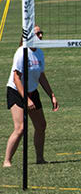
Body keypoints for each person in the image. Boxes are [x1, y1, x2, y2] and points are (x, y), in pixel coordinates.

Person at [3, 26, 58, 167]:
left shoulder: (39, 53)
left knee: (41, 125)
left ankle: (40, 158)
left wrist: (51, 95)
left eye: (41, 33)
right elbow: (16, 78)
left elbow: (41, 76)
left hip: (32, 91)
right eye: (37, 33)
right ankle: (7, 161)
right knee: (20, 128)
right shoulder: (22, 53)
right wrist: (26, 100)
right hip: (16, 91)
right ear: (29, 36)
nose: (40, 35)